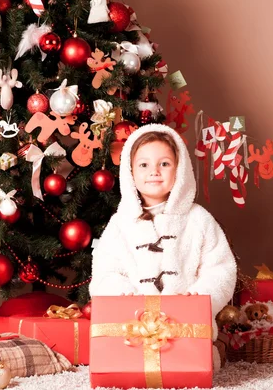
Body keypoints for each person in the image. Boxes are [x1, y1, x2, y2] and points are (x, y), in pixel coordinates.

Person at [89, 124, 237, 370]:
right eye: (144, 165)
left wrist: (199, 296)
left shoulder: (198, 218)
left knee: (189, 370)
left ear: (180, 170)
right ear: (130, 173)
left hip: (186, 326)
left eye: (164, 164)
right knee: (130, 368)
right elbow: (105, 270)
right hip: (133, 326)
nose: (154, 172)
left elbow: (220, 267)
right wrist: (122, 293)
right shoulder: (120, 223)